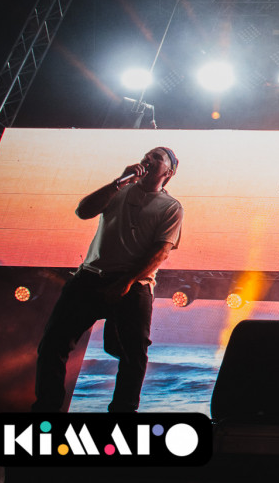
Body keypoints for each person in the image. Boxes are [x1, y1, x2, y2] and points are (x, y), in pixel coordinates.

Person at [33, 147, 184, 412]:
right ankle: (47, 410)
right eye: (147, 155)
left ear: (169, 172)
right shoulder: (119, 190)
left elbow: (160, 252)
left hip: (134, 285)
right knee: (52, 345)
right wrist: (118, 182)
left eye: (157, 157)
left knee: (133, 355)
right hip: (90, 278)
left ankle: (122, 413)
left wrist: (126, 282)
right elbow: (83, 211)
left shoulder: (171, 207)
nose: (148, 158)